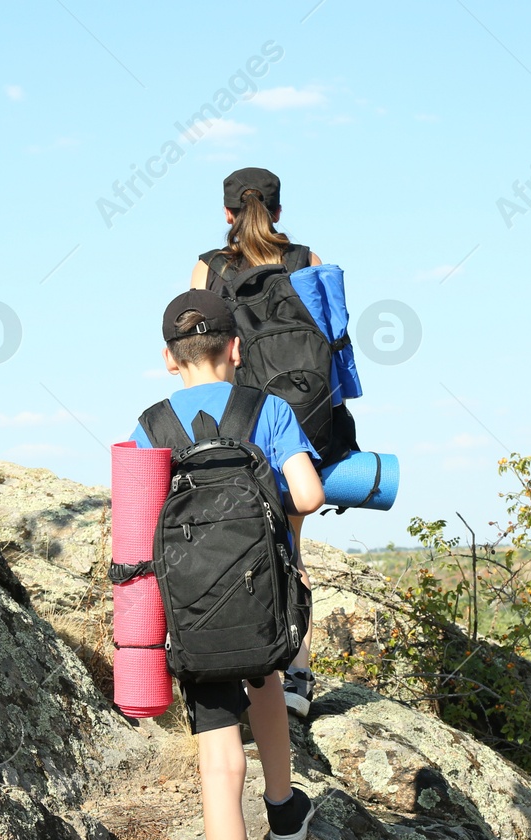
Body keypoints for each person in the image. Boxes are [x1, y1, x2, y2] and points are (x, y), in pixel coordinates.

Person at [128, 290, 326, 840]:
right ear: (235, 350)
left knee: (219, 768)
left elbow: (132, 537)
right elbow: (305, 496)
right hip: (262, 603)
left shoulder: (150, 425)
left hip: (196, 618)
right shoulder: (266, 410)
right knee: (267, 670)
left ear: (167, 358)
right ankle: (283, 806)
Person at [190, 167, 322, 716]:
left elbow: (194, 345)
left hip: (235, 424)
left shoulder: (211, 267)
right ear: (279, 210)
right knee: (289, 544)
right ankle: (296, 675)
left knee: (232, 537)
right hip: (298, 418)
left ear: (226, 212)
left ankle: (238, 659)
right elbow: (335, 342)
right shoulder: (306, 260)